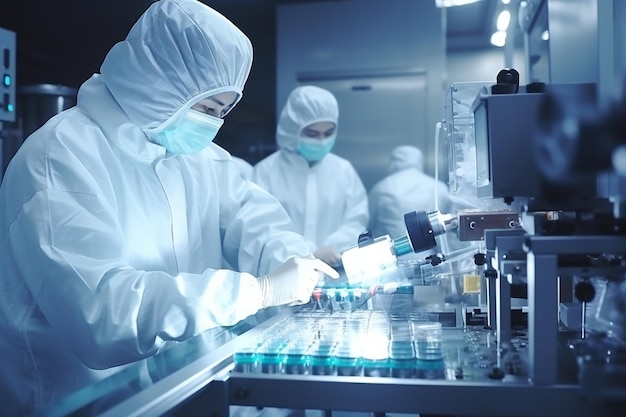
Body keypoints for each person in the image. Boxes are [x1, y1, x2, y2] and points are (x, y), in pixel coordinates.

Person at [0, 1, 338, 415]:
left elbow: (255, 221)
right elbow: (104, 315)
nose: (215, 124)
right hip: (84, 405)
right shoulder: (60, 157)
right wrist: (259, 291)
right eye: (207, 108)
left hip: (184, 390)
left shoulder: (201, 158)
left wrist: (294, 262)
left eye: (223, 111)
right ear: (157, 83)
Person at [251, 85, 369, 268]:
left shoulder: (343, 170)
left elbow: (356, 219)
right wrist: (307, 250)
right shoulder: (265, 172)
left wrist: (332, 247)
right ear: (292, 130)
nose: (322, 141)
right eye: (312, 134)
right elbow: (261, 226)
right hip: (281, 272)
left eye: (328, 133)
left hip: (334, 271)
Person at [368, 145, 453, 239]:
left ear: (394, 162)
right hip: (430, 250)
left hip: (392, 250)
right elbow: (450, 223)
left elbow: (367, 222)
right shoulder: (439, 187)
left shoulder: (382, 187)